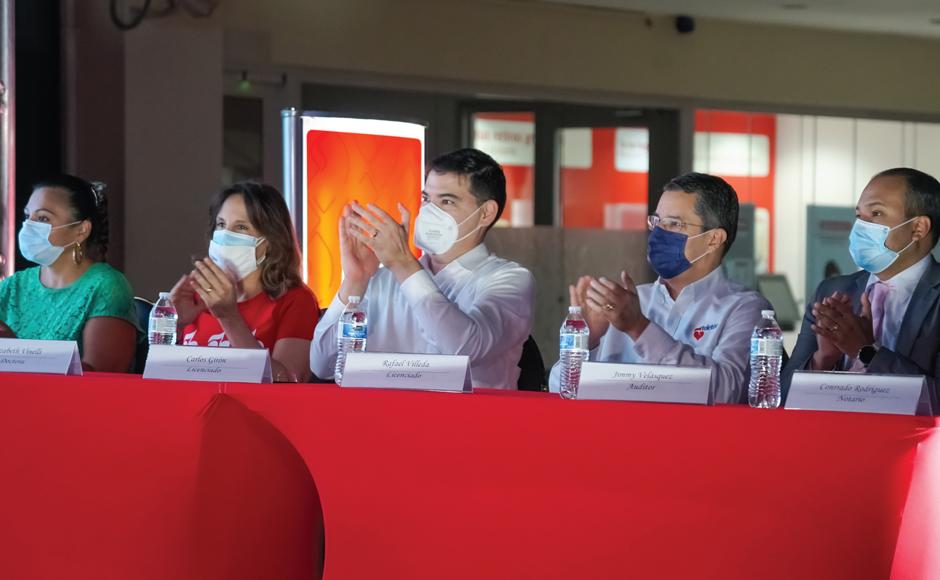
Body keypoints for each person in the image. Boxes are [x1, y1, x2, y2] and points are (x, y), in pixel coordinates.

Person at [310, 148, 535, 389]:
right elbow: (321, 364)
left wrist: (404, 265)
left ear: (486, 214)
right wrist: (355, 281)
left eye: (447, 201)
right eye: (427, 199)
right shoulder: (383, 278)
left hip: (467, 422)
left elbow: (466, 348)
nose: (429, 212)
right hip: (382, 420)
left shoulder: (509, 279)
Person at [548, 172, 772, 404]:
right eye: (656, 222)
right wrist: (588, 339)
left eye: (674, 224)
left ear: (713, 239)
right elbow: (559, 387)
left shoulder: (744, 308)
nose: (658, 233)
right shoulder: (626, 301)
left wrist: (638, 327)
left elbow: (725, 392)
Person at [783, 168, 940, 396]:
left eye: (876, 213)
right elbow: (782, 396)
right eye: (859, 216)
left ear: (918, 228)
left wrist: (867, 352)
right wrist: (822, 360)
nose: (861, 227)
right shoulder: (832, 291)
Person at [170, 182, 319, 382]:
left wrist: (229, 318)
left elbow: (289, 380)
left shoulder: (295, 301)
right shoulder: (196, 298)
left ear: (269, 242)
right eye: (221, 225)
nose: (225, 236)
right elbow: (160, 379)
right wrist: (174, 325)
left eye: (241, 227)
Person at [0, 174, 138, 372]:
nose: (28, 226)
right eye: (27, 216)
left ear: (81, 230)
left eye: (43, 218)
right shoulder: (13, 286)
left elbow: (103, 378)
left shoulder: (106, 286)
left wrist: (18, 354)